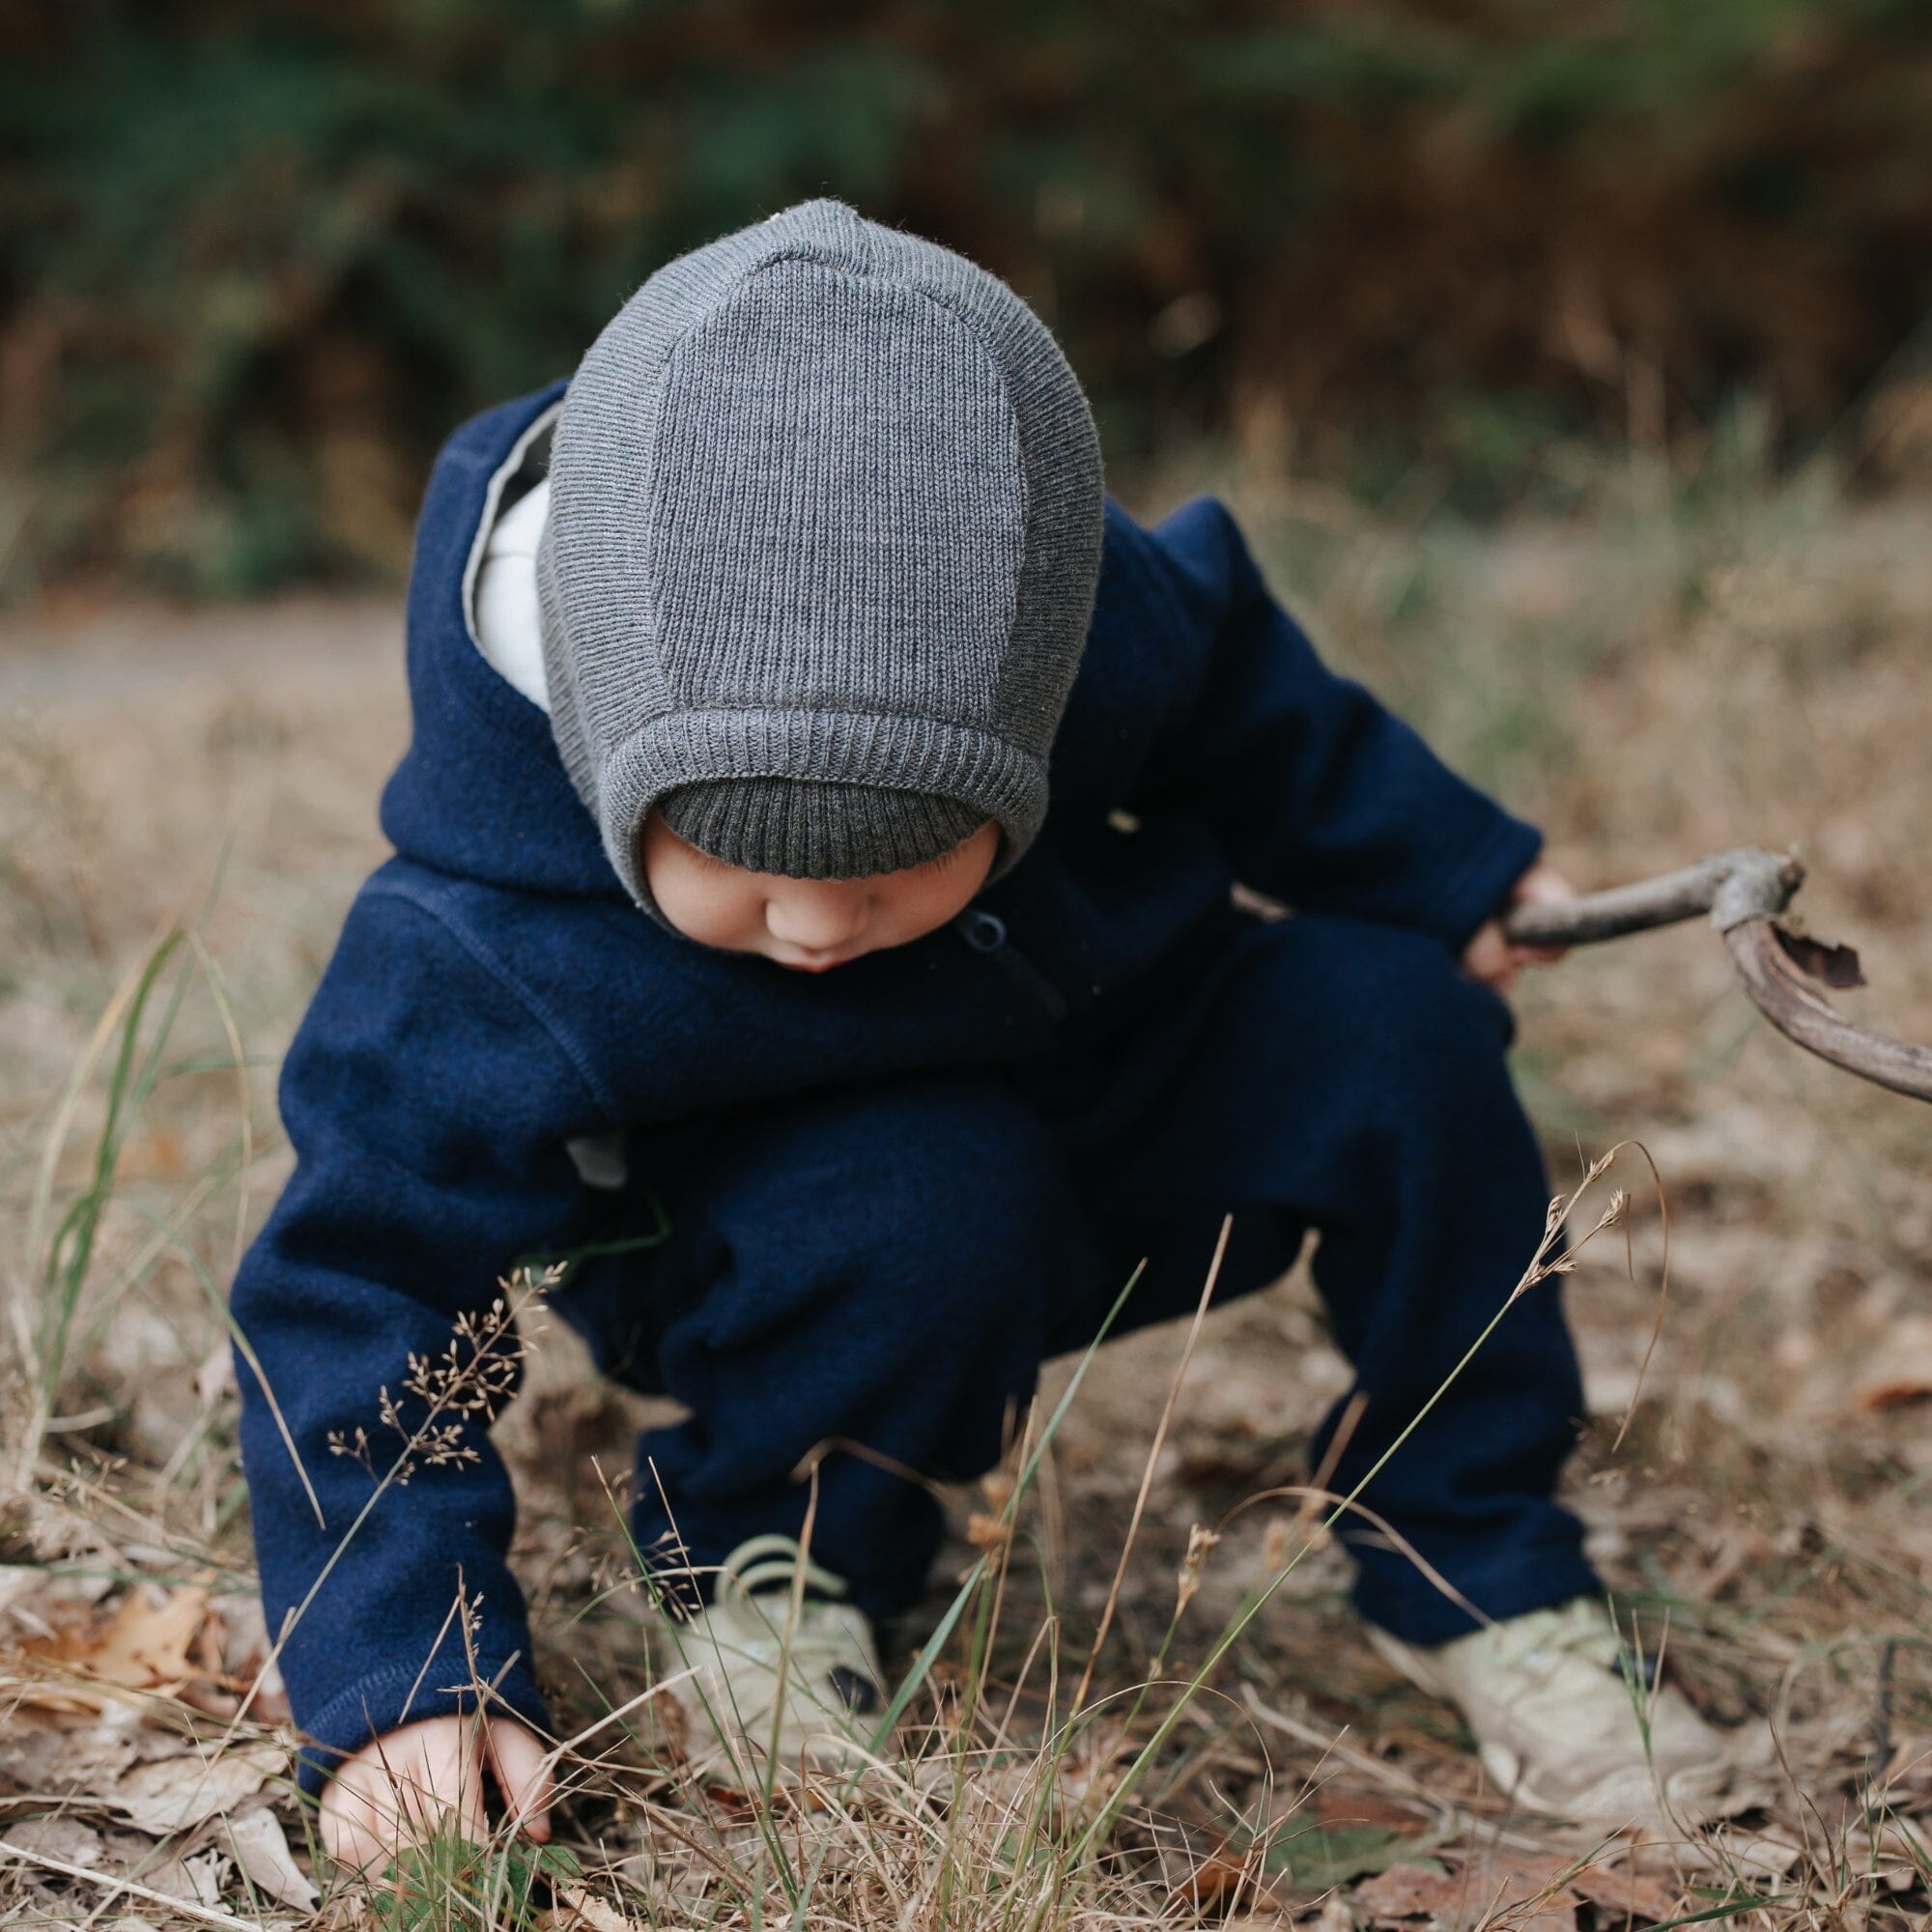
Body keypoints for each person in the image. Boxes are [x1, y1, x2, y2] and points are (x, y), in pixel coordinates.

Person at [228, 199, 1731, 1871]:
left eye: (879, 875)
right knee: (922, 1184)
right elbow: (353, 1295)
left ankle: (1477, 1559)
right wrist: (404, 1678)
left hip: (1104, 1067)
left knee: (1400, 1033)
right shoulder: (471, 941)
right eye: (737, 872)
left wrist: (1448, 867)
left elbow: (1239, 685)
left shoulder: (1060, 610)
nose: (809, 924)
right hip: (786, 1233)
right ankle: (774, 1568)